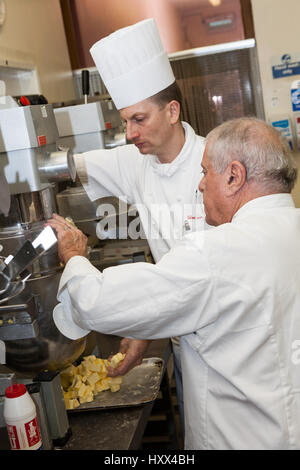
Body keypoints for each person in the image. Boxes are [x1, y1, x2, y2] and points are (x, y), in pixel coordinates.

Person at [49, 117, 300, 449]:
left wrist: (74, 256)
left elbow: (99, 302)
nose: (199, 185)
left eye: (205, 172)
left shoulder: (218, 250)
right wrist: (149, 324)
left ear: (234, 176)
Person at [74, 18, 206, 430]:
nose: (129, 133)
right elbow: (69, 169)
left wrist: (146, 324)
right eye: (125, 121)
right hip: (185, 345)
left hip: (228, 342)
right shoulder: (138, 162)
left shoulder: (213, 166)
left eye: (138, 119)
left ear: (172, 111)